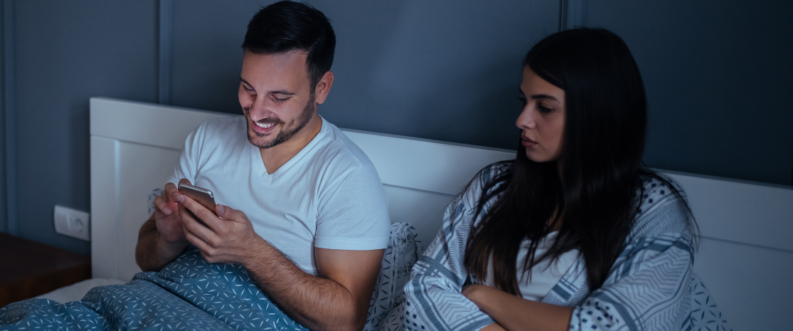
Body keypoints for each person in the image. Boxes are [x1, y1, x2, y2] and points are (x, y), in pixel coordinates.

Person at [395, 28, 725, 331]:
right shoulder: (493, 187)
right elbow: (423, 291)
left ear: (597, 113)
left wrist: (483, 295)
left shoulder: (652, 209)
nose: (522, 120)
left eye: (546, 108)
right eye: (525, 102)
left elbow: (619, 325)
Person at [135, 1, 390, 330]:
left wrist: (251, 252)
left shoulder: (347, 176)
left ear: (321, 88)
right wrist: (169, 239)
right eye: (248, 88)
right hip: (154, 302)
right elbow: (144, 258)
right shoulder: (206, 139)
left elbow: (347, 320)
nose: (255, 113)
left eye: (279, 97)